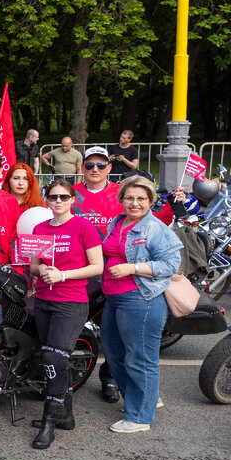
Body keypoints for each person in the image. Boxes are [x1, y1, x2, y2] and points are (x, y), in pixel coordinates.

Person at [100, 177, 182, 433]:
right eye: (129, 198)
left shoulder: (156, 228)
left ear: (150, 201)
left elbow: (170, 265)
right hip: (113, 298)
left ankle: (140, 417)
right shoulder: (118, 222)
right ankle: (144, 398)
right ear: (121, 199)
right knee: (113, 353)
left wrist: (133, 268)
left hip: (141, 298)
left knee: (141, 357)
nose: (134, 203)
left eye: (141, 199)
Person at [26, 179, 104, 449]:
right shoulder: (40, 228)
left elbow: (97, 266)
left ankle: (49, 421)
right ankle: (66, 416)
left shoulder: (84, 226)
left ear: (72, 200)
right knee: (53, 358)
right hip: (43, 301)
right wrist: (41, 270)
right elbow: (33, 265)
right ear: (46, 200)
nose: (58, 201)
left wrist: (63, 275)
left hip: (70, 302)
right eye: (53, 197)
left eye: (63, 197)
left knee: (52, 358)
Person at [71, 145, 124, 402]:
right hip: (77, 267)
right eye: (90, 165)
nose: (95, 169)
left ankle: (111, 378)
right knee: (72, 321)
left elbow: (148, 217)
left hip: (113, 267)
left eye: (101, 165)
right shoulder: (70, 193)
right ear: (82, 167)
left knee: (114, 327)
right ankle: (66, 371)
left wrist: (173, 206)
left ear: (109, 168)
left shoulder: (121, 193)